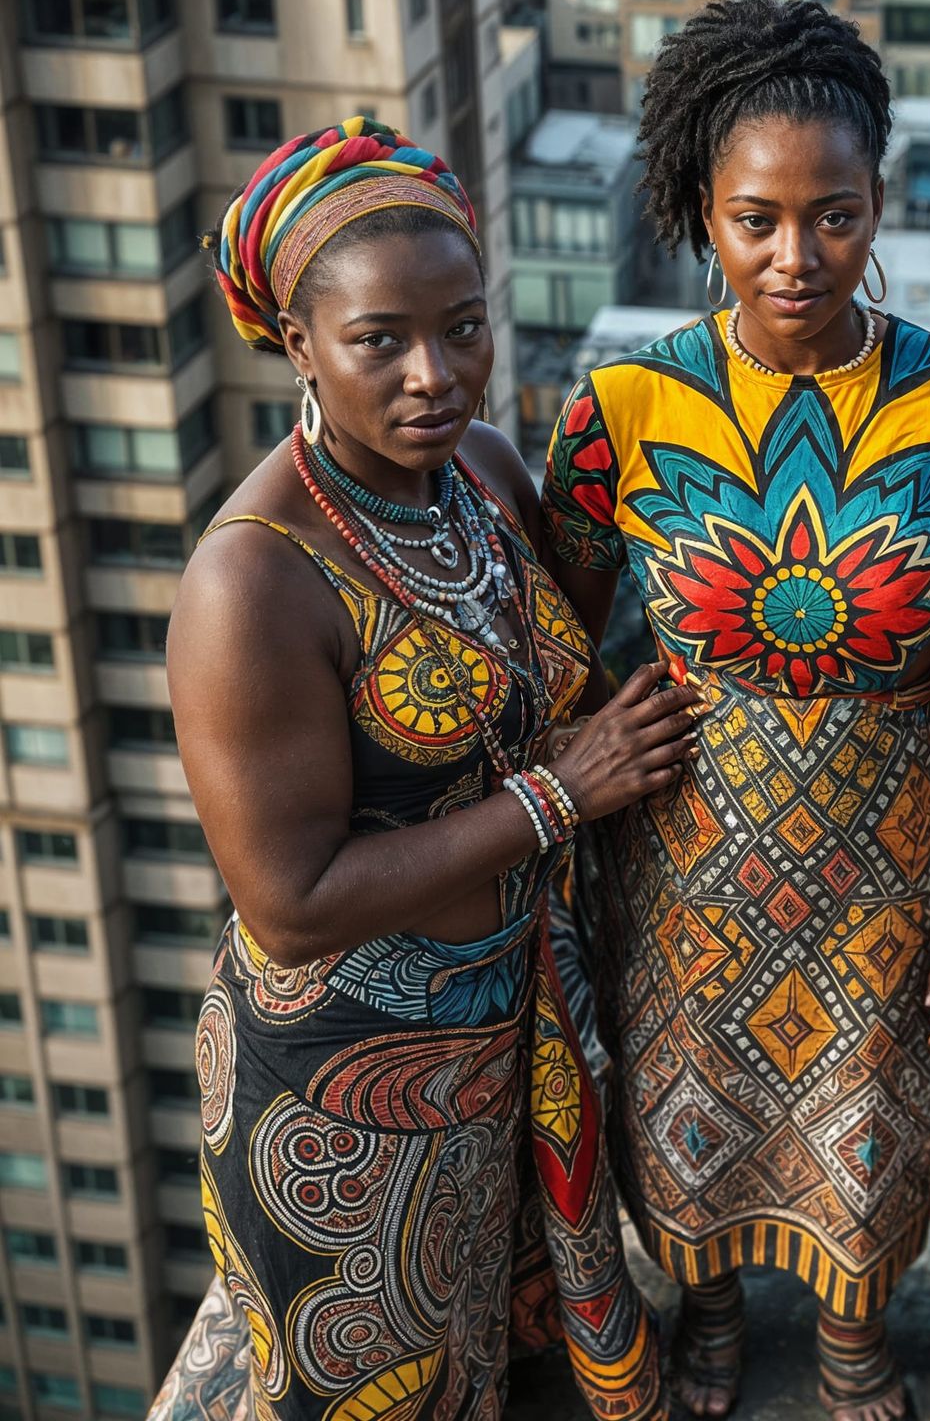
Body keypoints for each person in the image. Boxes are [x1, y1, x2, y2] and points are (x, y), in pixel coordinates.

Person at [541, 0, 930, 1421]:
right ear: (698, 212)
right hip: (683, 838)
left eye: (835, 215)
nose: (797, 255)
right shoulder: (623, 408)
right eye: (757, 218)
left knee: (871, 1108)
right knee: (682, 1094)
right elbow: (549, 648)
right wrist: (571, 778)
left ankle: (851, 1341)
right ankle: (706, 1319)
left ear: (881, 201)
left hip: (900, 838)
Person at [147, 119, 694, 1420]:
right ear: (299, 346)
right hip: (349, 1095)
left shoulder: (483, 477)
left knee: (500, 1370)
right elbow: (290, 898)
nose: (434, 374)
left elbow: (569, 690)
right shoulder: (255, 580)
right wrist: (561, 796)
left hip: (507, 1038)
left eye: (463, 326)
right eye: (379, 340)